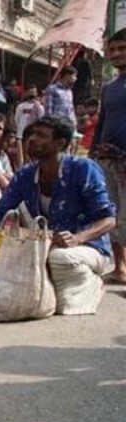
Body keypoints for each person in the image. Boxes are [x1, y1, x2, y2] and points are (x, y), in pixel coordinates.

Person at [0, 116, 115, 314]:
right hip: (47, 244)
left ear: (60, 143)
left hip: (86, 248)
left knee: (60, 260)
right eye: (31, 134)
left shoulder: (83, 169)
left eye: (41, 136)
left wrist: (77, 238)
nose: (31, 139)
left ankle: (91, 286)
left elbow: (108, 220)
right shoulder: (26, 174)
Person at [91, 28, 126, 284]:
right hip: (107, 160)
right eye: (112, 49)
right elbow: (102, 122)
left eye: (122, 49)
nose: (116, 54)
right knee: (111, 212)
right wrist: (95, 153)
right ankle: (120, 267)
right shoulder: (110, 88)